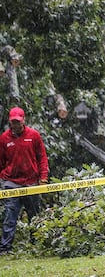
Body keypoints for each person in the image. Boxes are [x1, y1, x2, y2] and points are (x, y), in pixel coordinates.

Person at [0, 107, 49, 255]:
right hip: (11, 183)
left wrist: (43, 178)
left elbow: (42, 157)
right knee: (10, 216)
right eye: (13, 122)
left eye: (18, 122)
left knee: (34, 215)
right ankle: (5, 248)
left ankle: (36, 245)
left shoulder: (34, 136)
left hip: (32, 182)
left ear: (24, 120)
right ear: (10, 121)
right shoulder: (4, 138)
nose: (16, 125)